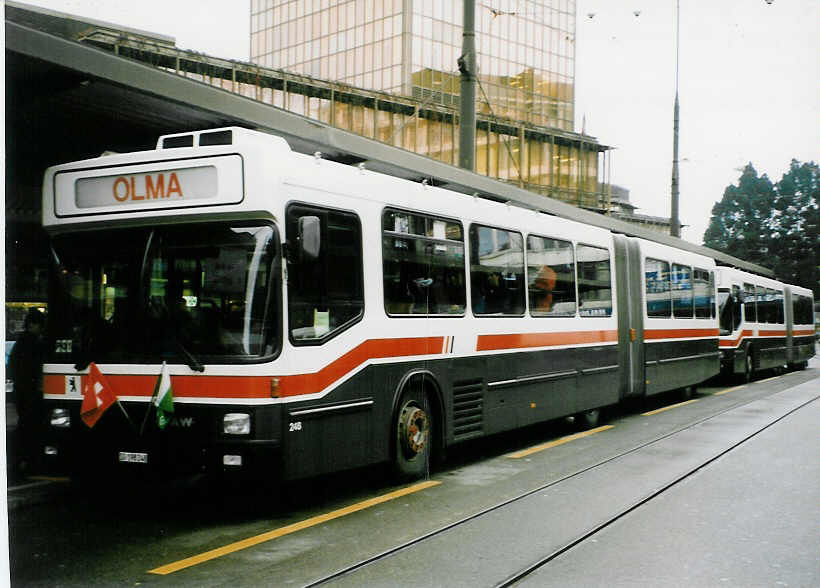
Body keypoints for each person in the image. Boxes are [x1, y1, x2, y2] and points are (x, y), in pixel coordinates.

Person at [8, 308, 47, 473]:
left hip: (20, 390)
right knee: (30, 426)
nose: (41, 329)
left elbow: (12, 367)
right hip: (30, 391)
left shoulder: (20, 342)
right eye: (40, 325)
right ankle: (25, 459)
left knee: (24, 424)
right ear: (34, 325)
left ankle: (19, 460)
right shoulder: (34, 343)